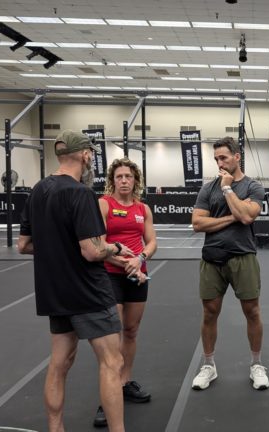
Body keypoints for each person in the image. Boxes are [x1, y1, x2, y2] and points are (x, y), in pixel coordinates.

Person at [18, 130, 135, 432]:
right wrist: (115, 248)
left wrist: (60, 248)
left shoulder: (38, 191)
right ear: (84, 156)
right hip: (88, 292)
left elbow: (25, 245)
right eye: (91, 155)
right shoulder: (80, 193)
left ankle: (56, 429)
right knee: (112, 363)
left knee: (59, 363)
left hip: (55, 292)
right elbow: (92, 251)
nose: (91, 159)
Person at [191, 136, 268, 391]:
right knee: (209, 313)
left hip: (243, 256)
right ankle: (208, 365)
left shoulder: (254, 187)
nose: (219, 163)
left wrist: (227, 189)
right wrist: (232, 217)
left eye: (223, 157)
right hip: (211, 258)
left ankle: (256, 364)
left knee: (252, 312)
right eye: (216, 159)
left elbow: (247, 216)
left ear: (237, 156)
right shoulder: (206, 188)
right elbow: (198, 224)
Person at [92, 158, 158, 427]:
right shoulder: (105, 204)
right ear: (113, 180)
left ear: (135, 180)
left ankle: (124, 382)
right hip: (110, 274)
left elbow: (152, 241)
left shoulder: (143, 208)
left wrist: (139, 258)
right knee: (113, 334)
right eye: (118, 176)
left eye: (127, 176)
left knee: (131, 331)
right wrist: (125, 263)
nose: (123, 180)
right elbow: (98, 242)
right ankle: (108, 397)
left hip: (137, 274)